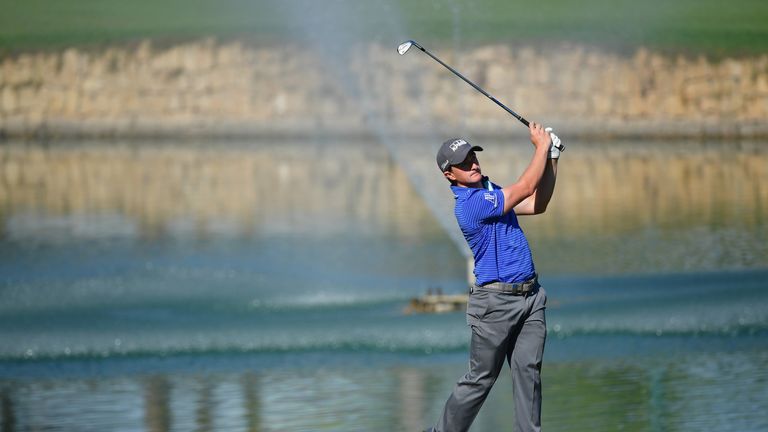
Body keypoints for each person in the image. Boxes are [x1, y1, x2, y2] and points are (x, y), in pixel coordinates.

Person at [426, 122, 561, 432]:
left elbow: (537, 203)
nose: (472, 164)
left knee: (529, 374)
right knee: (481, 379)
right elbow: (525, 188)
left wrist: (552, 157)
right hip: (495, 304)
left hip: (530, 297)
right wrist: (540, 146)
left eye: (473, 157)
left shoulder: (490, 189)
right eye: (463, 163)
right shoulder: (470, 205)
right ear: (450, 174)